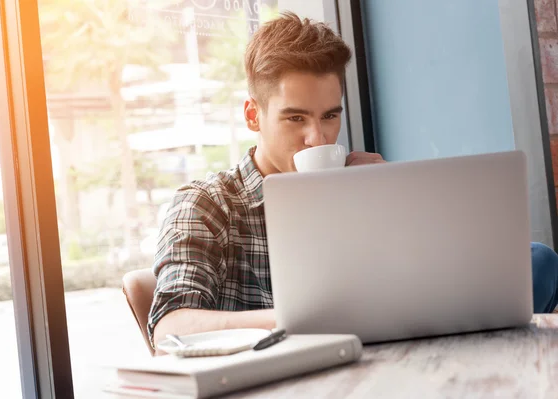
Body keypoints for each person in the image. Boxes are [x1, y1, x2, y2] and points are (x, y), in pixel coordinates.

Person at [147, 12, 558, 350]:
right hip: (278, 381)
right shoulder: (205, 205)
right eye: (296, 118)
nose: (319, 138)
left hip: (384, 371)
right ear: (254, 115)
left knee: (538, 261)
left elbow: (427, 296)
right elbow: (170, 327)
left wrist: (393, 201)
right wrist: (309, 323)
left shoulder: (359, 184)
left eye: (330, 115)